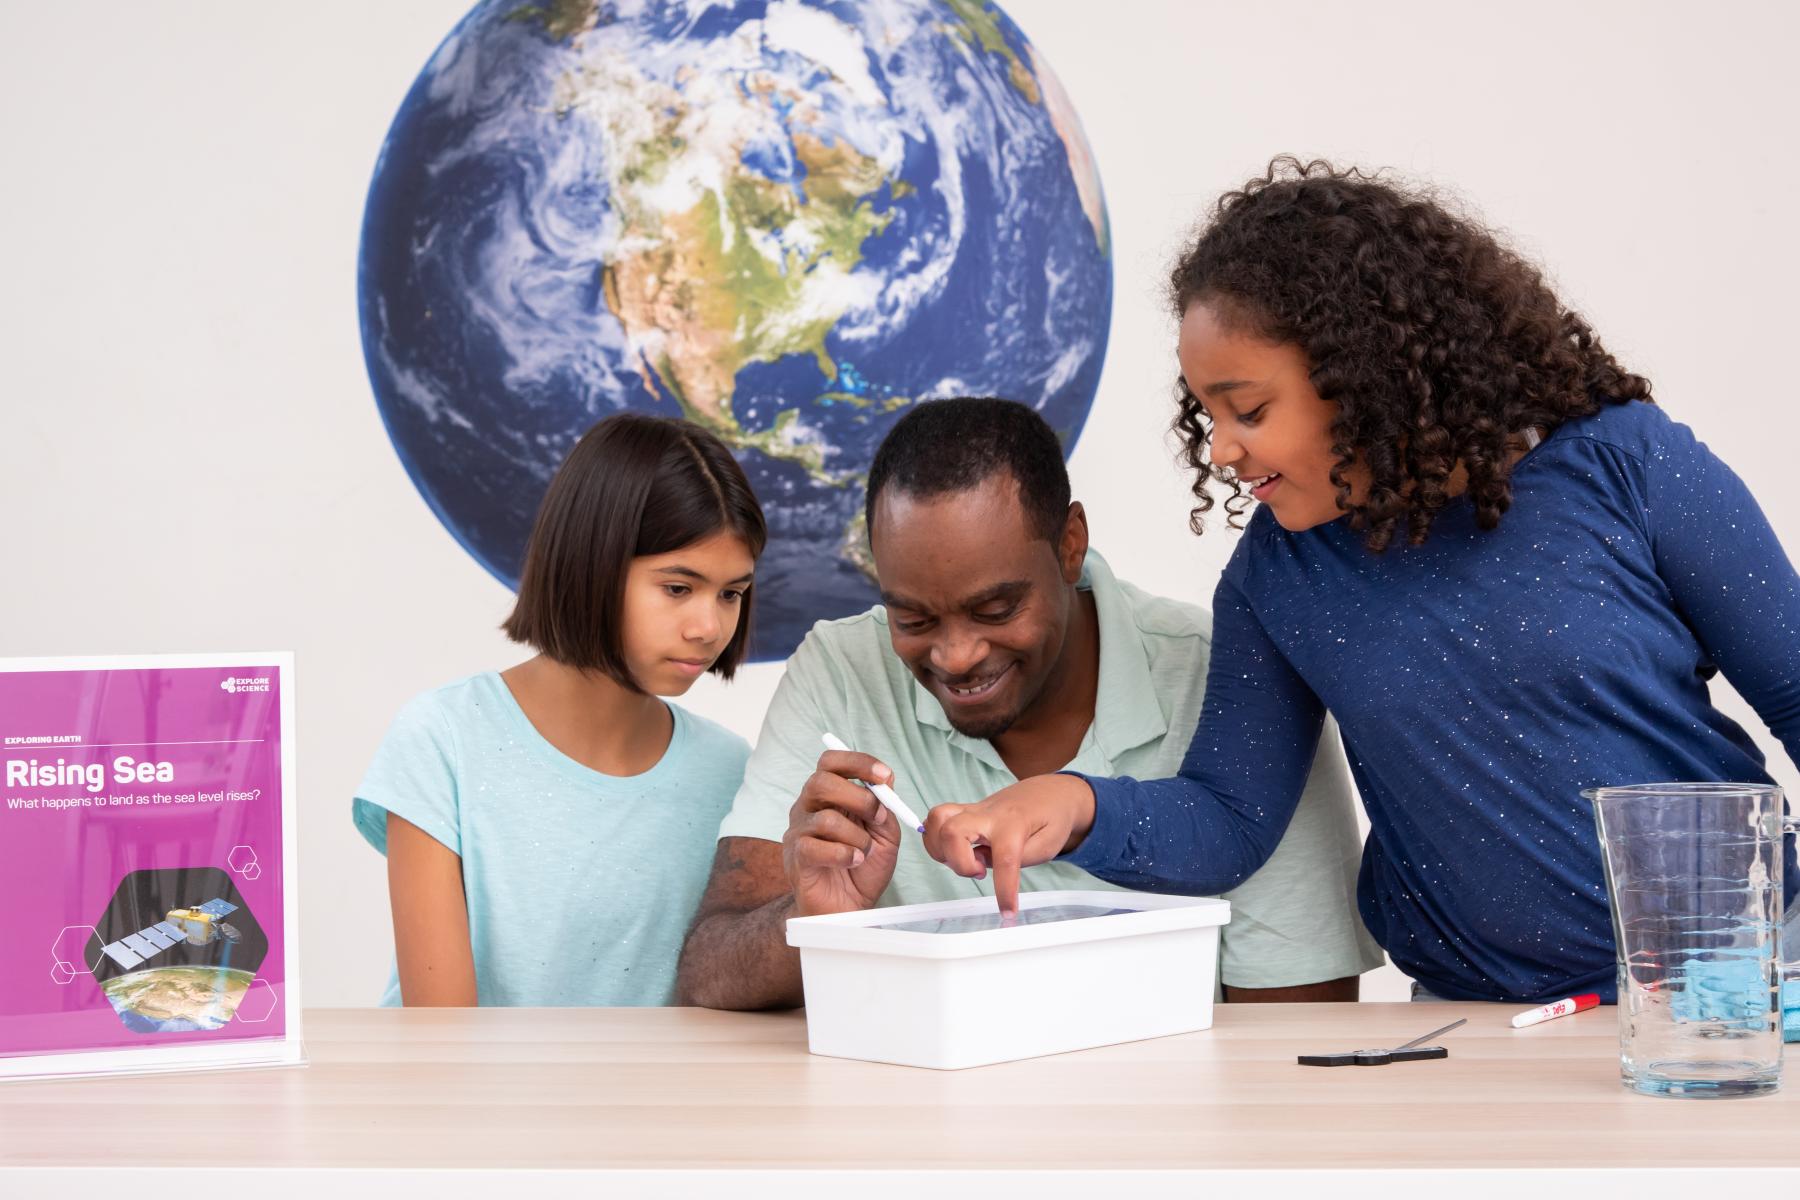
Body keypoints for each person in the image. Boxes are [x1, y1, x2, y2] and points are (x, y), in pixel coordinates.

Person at [917, 158, 1800, 1004]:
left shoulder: (1628, 466)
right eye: (1206, 414)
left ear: (1364, 377)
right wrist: (1072, 806)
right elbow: (1230, 817)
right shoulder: (1277, 572)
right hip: (1482, 1021)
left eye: (1249, 410)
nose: (1220, 451)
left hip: (1731, 992)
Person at [675, 397, 1381, 1009]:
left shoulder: (1230, 684)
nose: (955, 656)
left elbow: (1293, 1036)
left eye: (996, 608)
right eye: (914, 620)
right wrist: (811, 919)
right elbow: (709, 971)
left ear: (1070, 545)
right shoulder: (842, 669)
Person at [353, 413, 765, 1006]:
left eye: (731, 594)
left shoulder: (732, 772)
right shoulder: (443, 740)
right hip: (470, 1096)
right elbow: (439, 1038)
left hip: (667, 1100)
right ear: (591, 561)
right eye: (678, 588)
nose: (709, 627)